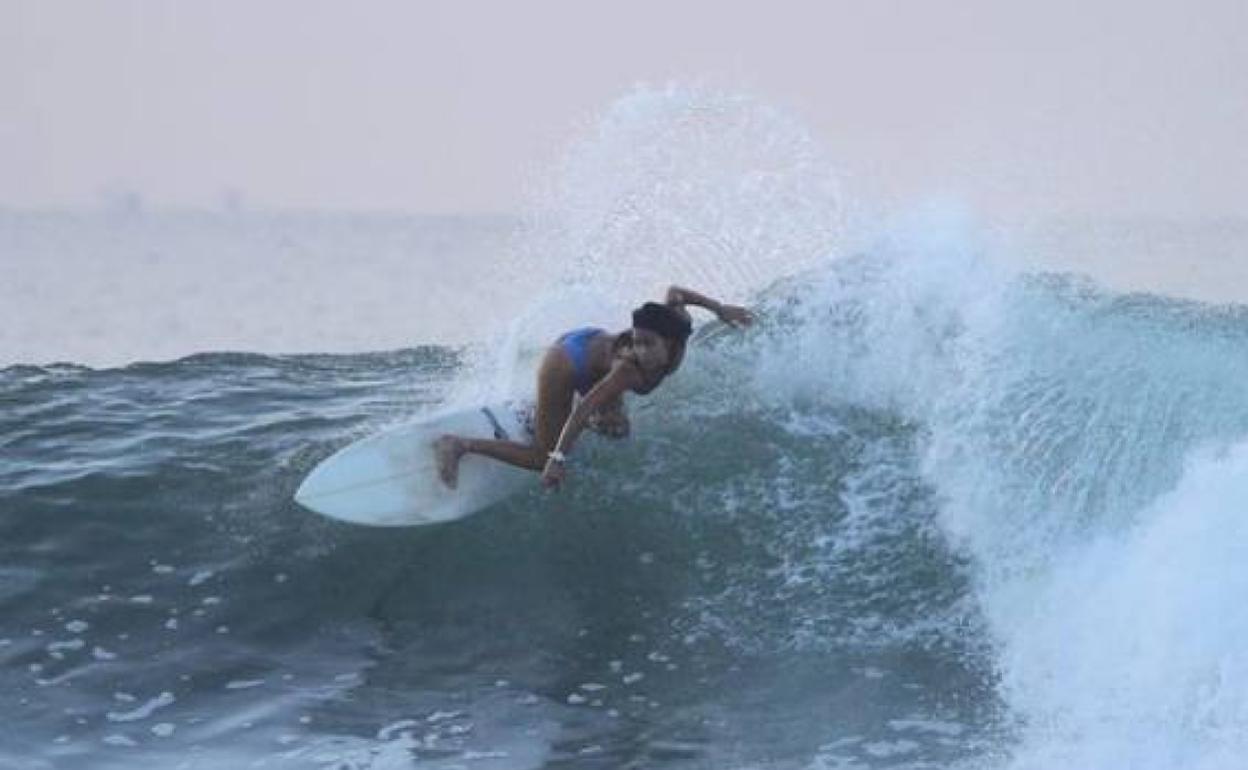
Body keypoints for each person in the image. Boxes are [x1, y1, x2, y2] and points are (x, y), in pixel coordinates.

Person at [434, 286, 754, 490]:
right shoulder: (628, 370)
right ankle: (458, 445)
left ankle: (543, 415)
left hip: (594, 349)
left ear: (670, 343)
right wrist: (557, 458)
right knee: (540, 456)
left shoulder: (680, 329)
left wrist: (719, 308)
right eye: (637, 341)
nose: (641, 349)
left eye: (648, 343)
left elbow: (675, 293)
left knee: (617, 430)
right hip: (566, 360)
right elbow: (585, 406)